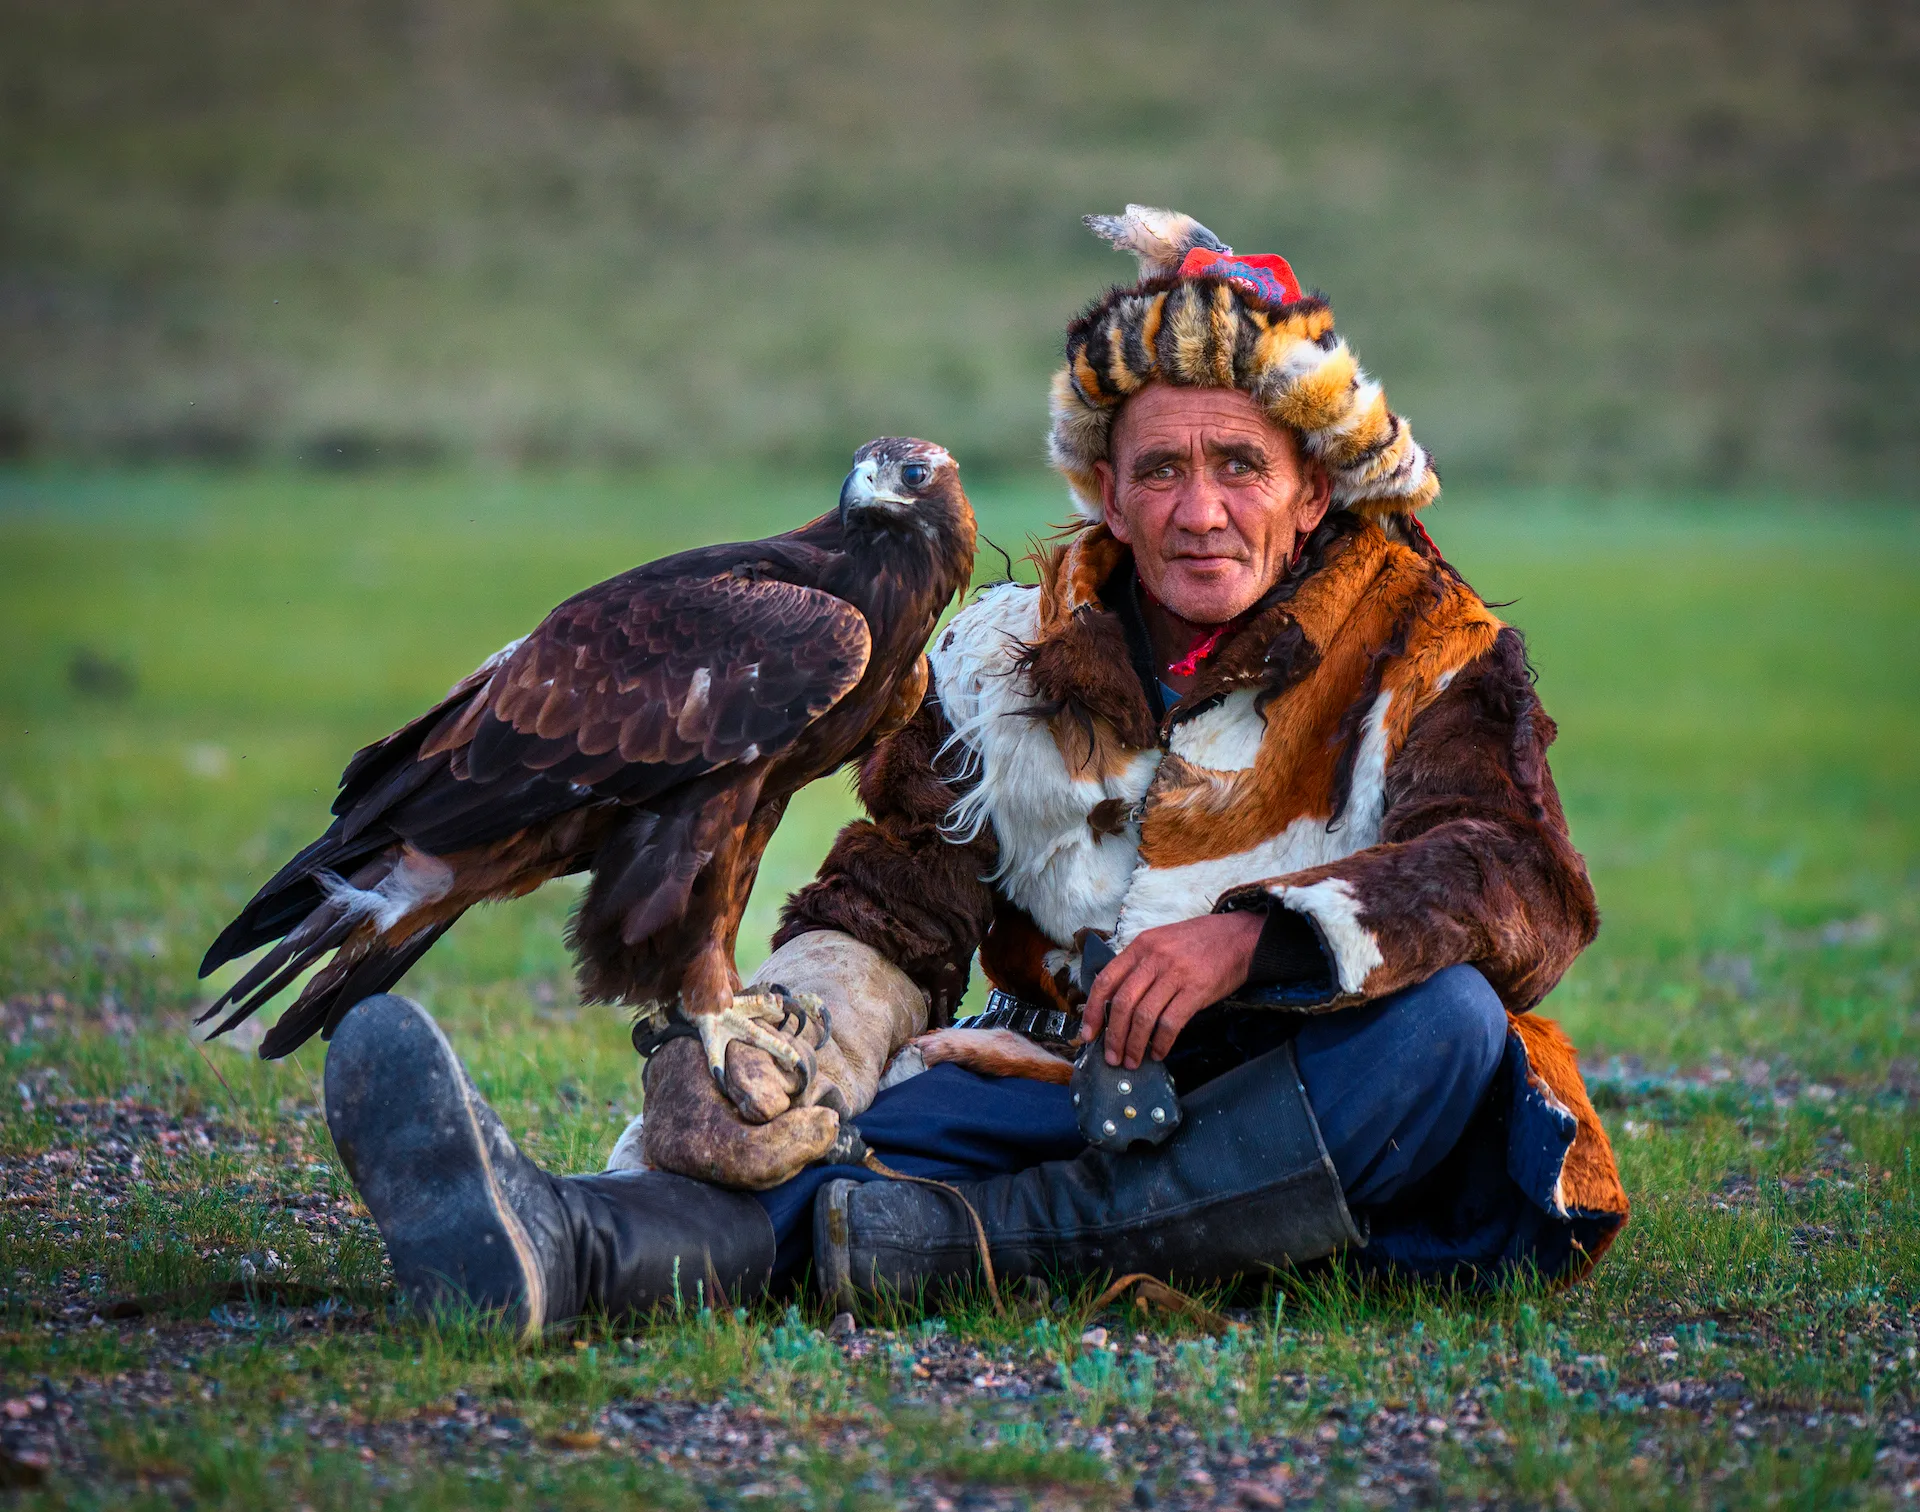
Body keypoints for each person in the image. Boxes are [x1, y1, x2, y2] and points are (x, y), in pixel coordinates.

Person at [321, 207, 1627, 1338]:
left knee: (1452, 1029)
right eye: (1161, 470)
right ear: (1108, 492)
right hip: (1052, 1089)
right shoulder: (1002, 657)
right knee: (817, 1142)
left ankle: (934, 1246)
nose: (1200, 510)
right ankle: (564, 1245)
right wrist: (797, 1038)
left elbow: (1519, 881)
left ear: (1311, 492)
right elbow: (894, 907)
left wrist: (1257, 941)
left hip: (1302, 1093)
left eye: (1241, 466)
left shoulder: (1429, 649)